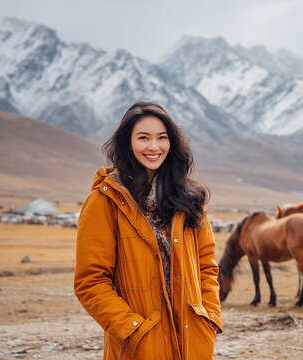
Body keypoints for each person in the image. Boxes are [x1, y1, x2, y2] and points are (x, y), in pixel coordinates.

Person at [74, 101, 222, 359]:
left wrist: (208, 317)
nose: (154, 147)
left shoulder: (189, 199)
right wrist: (132, 330)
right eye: (144, 138)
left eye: (161, 138)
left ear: (171, 143)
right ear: (128, 144)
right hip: (139, 346)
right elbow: (91, 281)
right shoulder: (105, 201)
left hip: (192, 343)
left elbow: (206, 268)